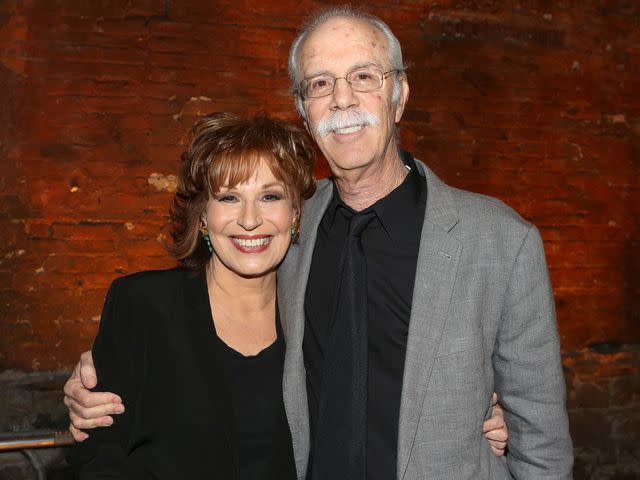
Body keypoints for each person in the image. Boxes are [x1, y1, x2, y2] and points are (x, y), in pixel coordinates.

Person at [61, 5, 571, 479]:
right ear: (304, 110)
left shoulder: (502, 242)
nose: (342, 99)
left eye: (364, 77)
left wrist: (491, 413)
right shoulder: (289, 228)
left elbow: (540, 437)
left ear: (401, 94)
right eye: (320, 83)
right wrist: (97, 379)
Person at [68, 112, 316, 478]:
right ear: (202, 216)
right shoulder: (143, 305)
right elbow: (100, 457)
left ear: (294, 212)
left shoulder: (318, 319)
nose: (250, 219)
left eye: (270, 195)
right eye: (229, 197)